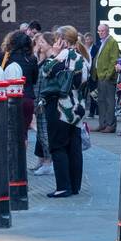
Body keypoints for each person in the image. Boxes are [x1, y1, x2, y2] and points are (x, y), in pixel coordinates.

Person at [39, 26, 89, 198]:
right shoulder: (83, 58)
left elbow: (46, 70)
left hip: (60, 107)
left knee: (58, 146)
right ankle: (75, 186)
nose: (54, 42)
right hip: (78, 108)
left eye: (56, 38)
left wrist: (53, 54)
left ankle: (63, 187)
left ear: (63, 40)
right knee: (74, 147)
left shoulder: (63, 55)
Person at [4, 30, 39, 147]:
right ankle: (22, 162)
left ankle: (11, 162)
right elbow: (34, 79)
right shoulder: (32, 59)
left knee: (10, 131)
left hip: (8, 99)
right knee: (23, 134)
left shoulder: (5, 57)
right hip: (27, 98)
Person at [31, 31, 58, 174]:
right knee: (42, 133)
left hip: (45, 103)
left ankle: (49, 162)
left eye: (41, 42)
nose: (39, 45)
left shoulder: (51, 60)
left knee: (45, 133)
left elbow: (44, 83)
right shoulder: (44, 59)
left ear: (49, 44)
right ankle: (47, 161)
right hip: (41, 101)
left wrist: (40, 102)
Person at [91, 22, 120, 133]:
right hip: (100, 77)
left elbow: (114, 60)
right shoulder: (103, 42)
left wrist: (108, 75)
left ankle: (111, 125)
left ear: (108, 31)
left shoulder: (112, 42)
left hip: (107, 78)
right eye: (99, 31)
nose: (100, 33)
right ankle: (102, 124)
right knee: (101, 101)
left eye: (102, 31)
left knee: (109, 102)